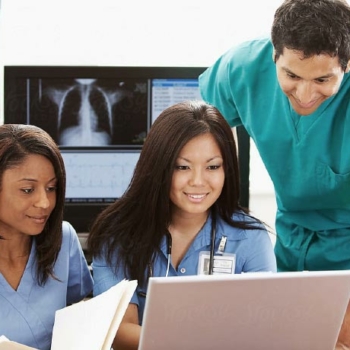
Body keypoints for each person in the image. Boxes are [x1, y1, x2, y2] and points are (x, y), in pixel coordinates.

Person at [198, 0, 350, 347]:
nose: (306, 94)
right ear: (274, 55)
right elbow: (203, 132)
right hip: (287, 241)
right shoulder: (241, 69)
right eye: (292, 75)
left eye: (323, 79)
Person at [88, 100, 277, 349]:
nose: (198, 181)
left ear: (227, 169)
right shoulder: (118, 236)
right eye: (182, 167)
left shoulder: (250, 239)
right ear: (159, 167)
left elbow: (263, 329)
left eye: (212, 166)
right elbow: (120, 333)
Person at [0, 124, 93, 349]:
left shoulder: (64, 239)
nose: (45, 203)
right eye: (28, 190)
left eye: (51, 188)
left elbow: (85, 312)